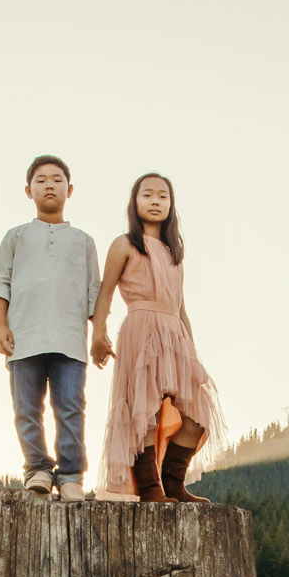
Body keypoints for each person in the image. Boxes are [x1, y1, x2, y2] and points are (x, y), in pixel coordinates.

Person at [92, 172, 222, 502]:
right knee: (143, 411)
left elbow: (181, 308)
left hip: (174, 334)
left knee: (197, 414)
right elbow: (105, 292)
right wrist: (98, 333)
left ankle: (173, 482)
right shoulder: (125, 244)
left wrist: (192, 354)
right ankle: (150, 488)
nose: (154, 201)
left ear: (171, 205)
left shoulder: (174, 252)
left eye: (162, 196)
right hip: (140, 329)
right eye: (147, 195)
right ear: (134, 203)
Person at [0, 155, 102, 500]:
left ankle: (70, 476)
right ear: (28, 190)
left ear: (70, 189)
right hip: (24, 337)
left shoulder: (83, 241)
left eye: (56, 179)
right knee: (27, 408)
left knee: (70, 407)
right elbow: (0, 283)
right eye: (41, 180)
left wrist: (99, 334)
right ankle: (36, 468)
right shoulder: (16, 237)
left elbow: (94, 291)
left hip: (70, 339)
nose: (49, 185)